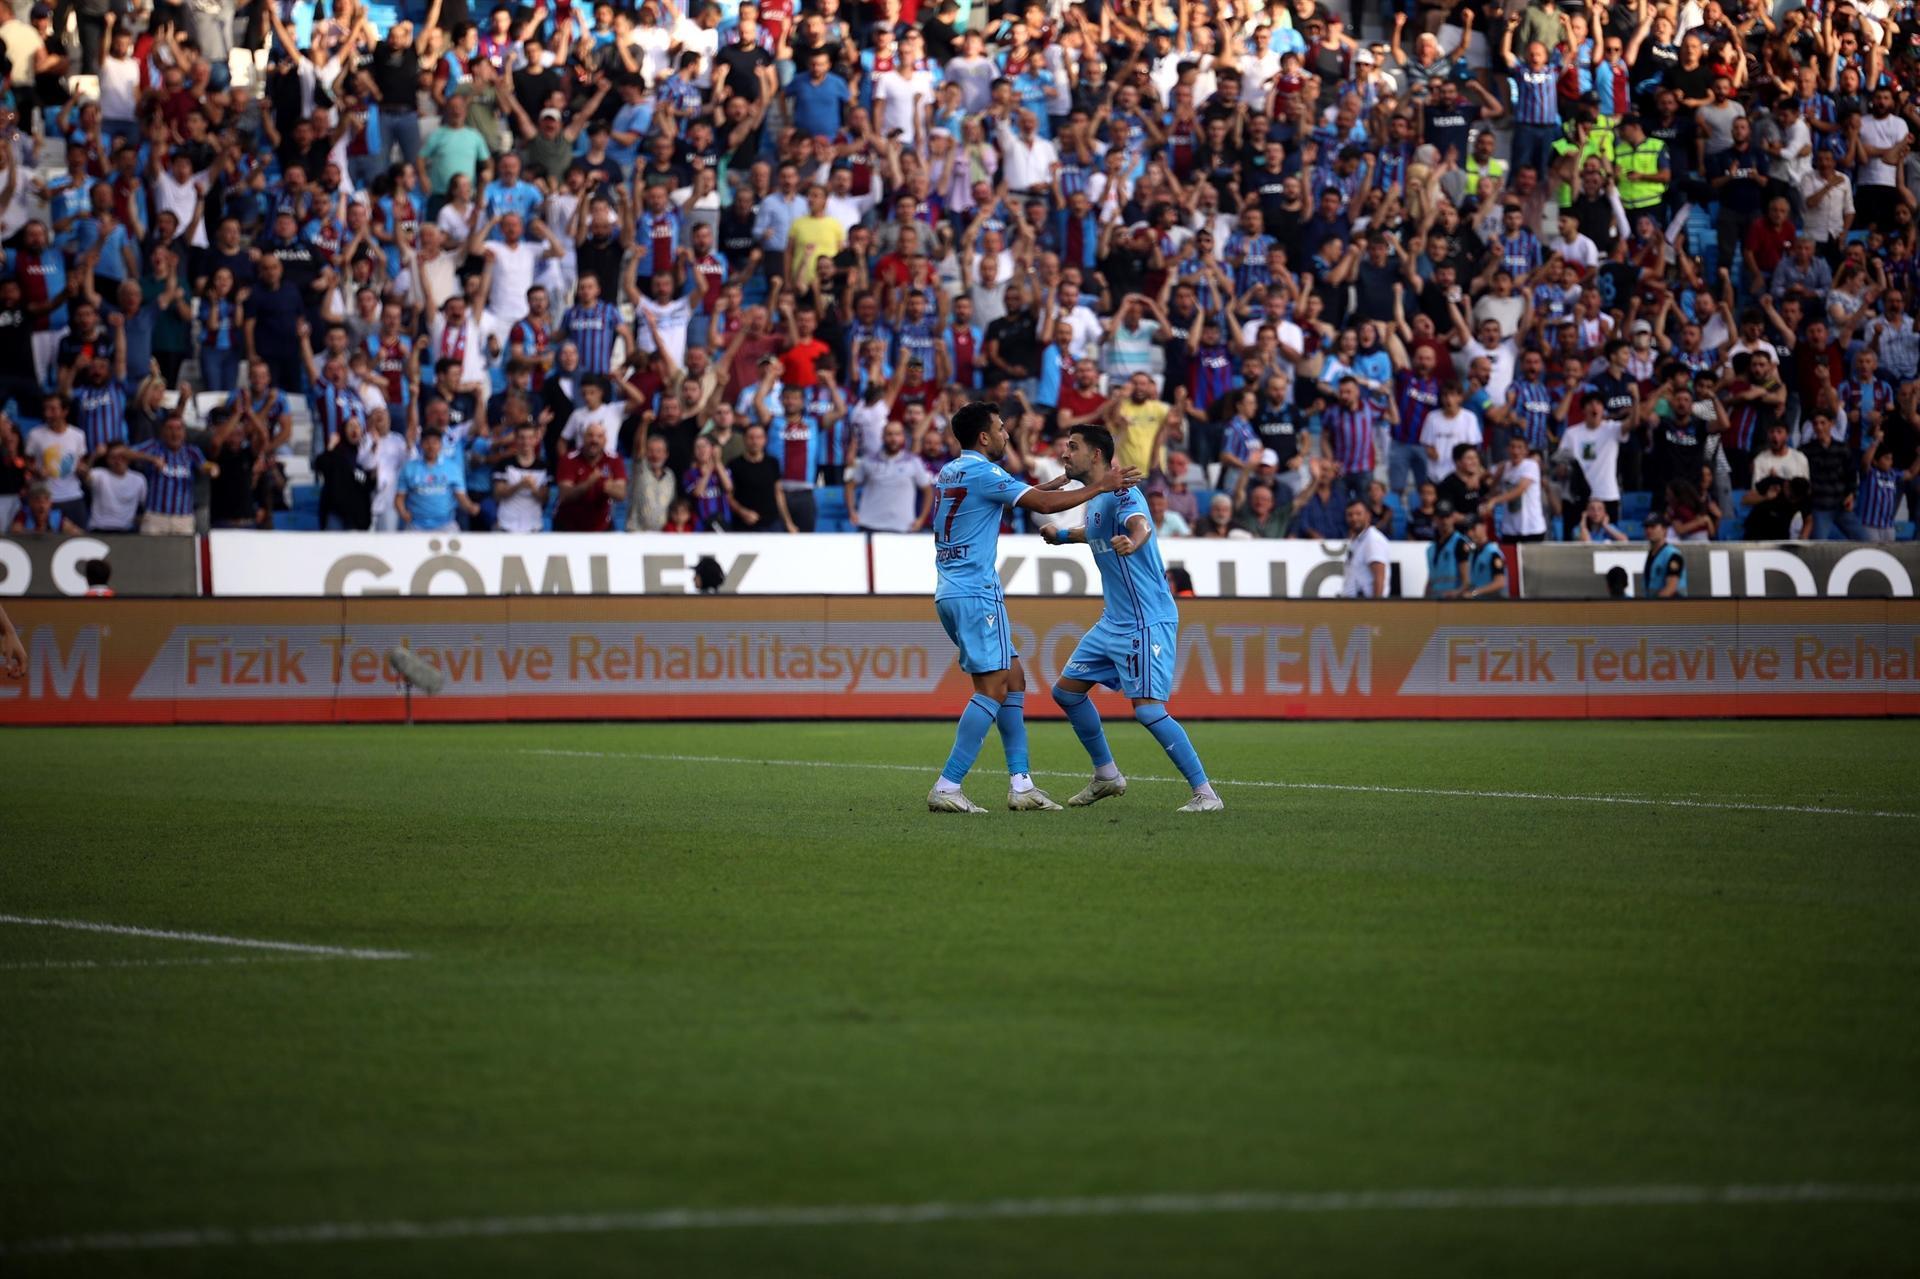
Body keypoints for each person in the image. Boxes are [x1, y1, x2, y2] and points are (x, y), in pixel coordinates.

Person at [925, 400, 1139, 815]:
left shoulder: (951, 471)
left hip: (952, 589)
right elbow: (1039, 506)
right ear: (984, 436)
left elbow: (1027, 493)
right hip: (975, 593)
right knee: (991, 688)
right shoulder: (985, 473)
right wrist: (1100, 486)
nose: (1007, 434)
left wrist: (1061, 480)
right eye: (1001, 428)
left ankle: (1021, 784)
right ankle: (948, 784)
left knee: (1014, 678)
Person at [1041, 424, 1221, 814]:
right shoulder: (1097, 499)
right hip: (1113, 622)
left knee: (1149, 709)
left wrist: (1133, 541)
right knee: (1066, 692)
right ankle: (1106, 775)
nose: (1065, 454)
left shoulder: (1122, 492)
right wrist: (1060, 536)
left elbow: (1139, 524)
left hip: (1146, 620)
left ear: (1097, 455)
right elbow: (1094, 532)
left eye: (1073, 447)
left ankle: (1206, 794)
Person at [1340, 498, 1390, 599]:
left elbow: (1379, 577)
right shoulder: (1358, 540)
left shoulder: (1373, 539)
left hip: (1365, 605)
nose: (1354, 518)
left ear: (1368, 516)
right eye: (1350, 515)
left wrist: (1375, 608)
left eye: (1358, 514)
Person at [1642, 512, 1687, 598]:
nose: (1649, 530)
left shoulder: (1672, 555)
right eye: (1646, 527)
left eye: (1653, 527)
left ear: (1664, 530)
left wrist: (1652, 606)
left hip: (1672, 607)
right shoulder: (1652, 553)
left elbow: (1671, 588)